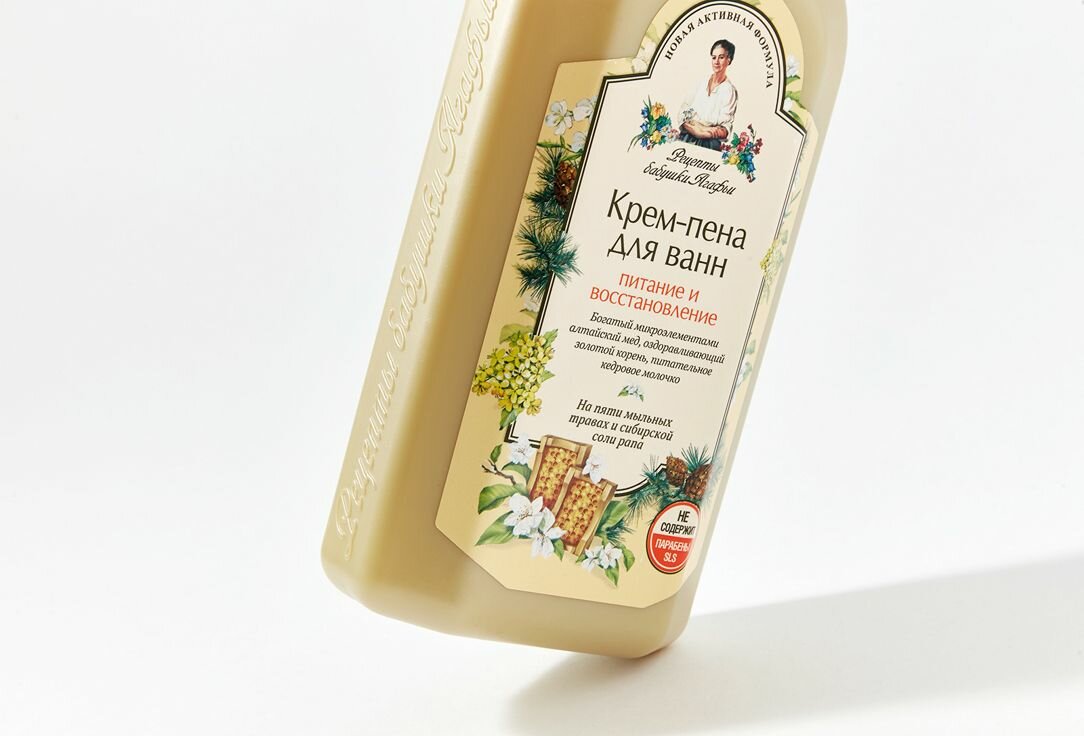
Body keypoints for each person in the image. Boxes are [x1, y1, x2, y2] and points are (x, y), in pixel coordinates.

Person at [680, 39, 739, 151]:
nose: (716, 62)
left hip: (709, 145)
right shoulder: (701, 82)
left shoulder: (729, 90)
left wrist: (702, 132)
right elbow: (684, 110)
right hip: (687, 136)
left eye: (721, 57)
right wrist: (698, 129)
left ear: (729, 60)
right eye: (714, 57)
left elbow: (725, 129)